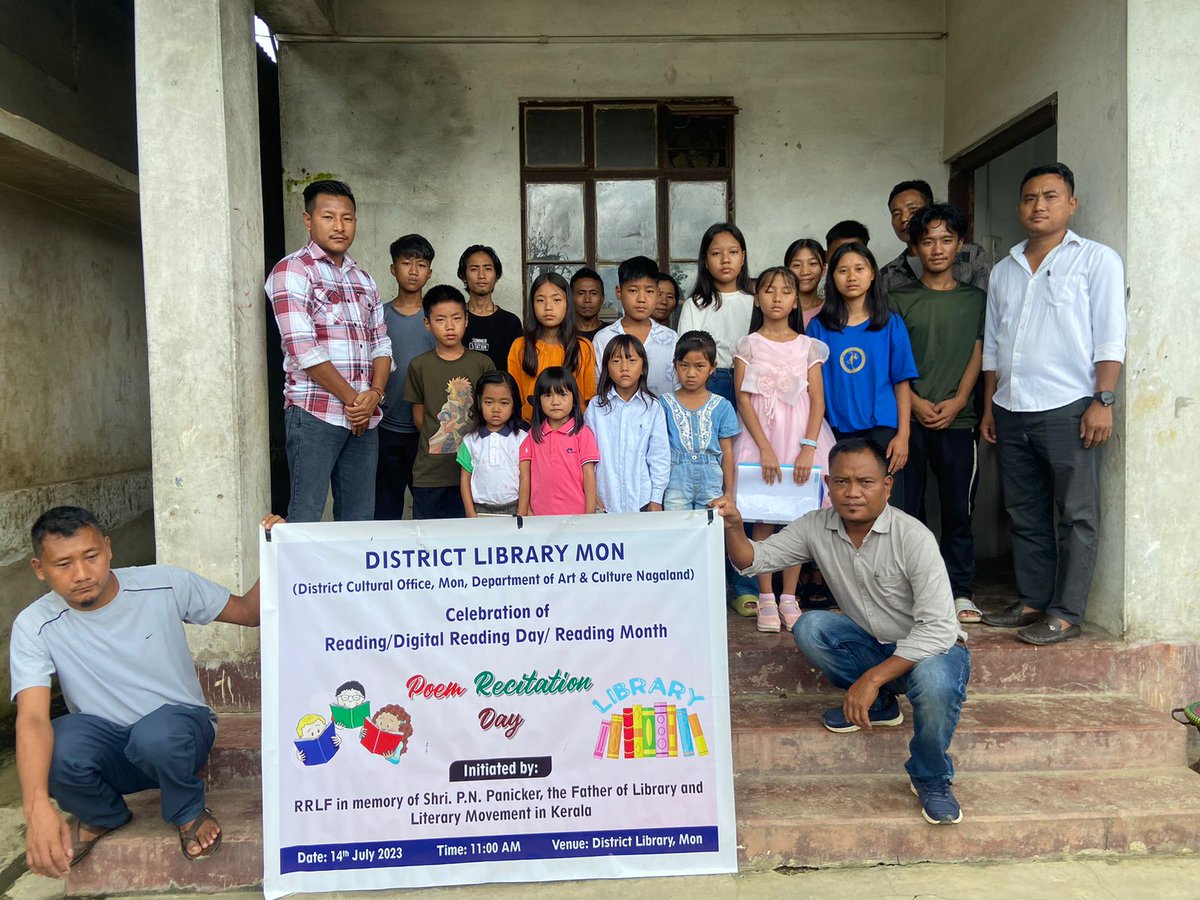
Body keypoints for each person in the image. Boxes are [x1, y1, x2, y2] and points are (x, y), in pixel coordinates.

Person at [10, 507, 283, 876]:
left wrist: (277, 548)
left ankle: (187, 811)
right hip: (112, 749)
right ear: (39, 569)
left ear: (108, 549)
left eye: (91, 556)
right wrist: (36, 806)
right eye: (63, 564)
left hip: (180, 735)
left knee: (156, 734)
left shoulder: (163, 583)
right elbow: (31, 718)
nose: (81, 574)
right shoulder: (34, 624)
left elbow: (249, 612)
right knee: (57, 741)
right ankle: (103, 814)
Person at [715, 439, 970, 826]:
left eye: (865, 482)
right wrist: (734, 526)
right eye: (842, 482)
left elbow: (938, 629)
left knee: (935, 683)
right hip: (874, 646)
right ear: (828, 484)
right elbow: (754, 561)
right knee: (811, 625)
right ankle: (883, 705)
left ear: (886, 486)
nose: (852, 493)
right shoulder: (816, 527)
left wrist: (870, 678)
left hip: (930, 651)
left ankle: (931, 775)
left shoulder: (913, 537)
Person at [979, 163, 1126, 645]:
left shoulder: (1096, 260)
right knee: (1024, 511)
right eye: (1029, 198)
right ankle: (1033, 600)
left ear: (1071, 204)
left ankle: (1067, 611)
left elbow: (1109, 336)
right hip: (1011, 406)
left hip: (1069, 406)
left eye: (1050, 196)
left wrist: (1103, 400)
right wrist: (989, 406)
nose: (1038, 206)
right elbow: (994, 346)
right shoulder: (1004, 270)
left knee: (1077, 514)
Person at [266, 179, 391, 522]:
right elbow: (303, 348)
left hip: (363, 417)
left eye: (347, 218)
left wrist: (375, 395)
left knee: (360, 518)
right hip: (313, 413)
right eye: (328, 216)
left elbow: (381, 342)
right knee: (305, 515)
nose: (339, 226)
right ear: (308, 220)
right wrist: (355, 400)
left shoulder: (364, 279)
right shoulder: (291, 270)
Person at [890, 204, 986, 624]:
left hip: (958, 420)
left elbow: (981, 352)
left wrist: (961, 399)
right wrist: (914, 402)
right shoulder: (897, 298)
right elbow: (892, 360)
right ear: (914, 247)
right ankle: (914, 591)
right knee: (909, 511)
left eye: (946, 240)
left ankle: (959, 591)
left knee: (957, 509)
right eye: (927, 241)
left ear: (960, 244)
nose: (937, 248)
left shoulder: (976, 299)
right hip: (909, 420)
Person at [733, 267, 836, 633]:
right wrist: (763, 448)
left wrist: (808, 447)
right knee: (763, 517)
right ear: (757, 298)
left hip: (800, 440)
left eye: (785, 291)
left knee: (797, 519)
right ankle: (765, 596)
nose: (777, 297)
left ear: (796, 299)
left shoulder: (808, 347)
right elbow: (743, 400)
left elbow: (818, 400)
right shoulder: (748, 345)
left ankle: (789, 596)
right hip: (762, 439)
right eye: (769, 290)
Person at [806, 243, 918, 509]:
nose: (851, 277)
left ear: (872, 275)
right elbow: (812, 387)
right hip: (837, 430)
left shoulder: (890, 324)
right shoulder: (818, 328)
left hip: (884, 431)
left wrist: (903, 435)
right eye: (843, 270)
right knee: (844, 504)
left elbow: (901, 383)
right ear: (832, 277)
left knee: (886, 505)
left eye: (859, 269)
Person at [660, 332, 752, 614]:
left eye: (699, 366)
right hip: (675, 479)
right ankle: (677, 597)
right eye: (685, 365)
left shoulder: (722, 406)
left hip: (712, 479)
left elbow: (728, 453)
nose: (691, 373)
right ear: (675, 365)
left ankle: (708, 598)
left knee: (711, 539)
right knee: (676, 536)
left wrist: (728, 493)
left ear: (713, 367)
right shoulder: (663, 404)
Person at [403, 285, 495, 519]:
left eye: (456, 318)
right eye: (440, 319)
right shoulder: (419, 365)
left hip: (475, 473)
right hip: (430, 474)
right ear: (427, 323)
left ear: (466, 320)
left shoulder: (482, 363)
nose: (450, 326)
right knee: (429, 543)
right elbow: (419, 416)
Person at [375, 234, 437, 520]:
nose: (413, 271)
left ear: (430, 272)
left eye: (421, 264)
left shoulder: (438, 319)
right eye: (406, 263)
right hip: (385, 426)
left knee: (429, 510)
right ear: (393, 269)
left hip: (427, 431)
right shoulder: (379, 316)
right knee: (385, 509)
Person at [585, 335, 670, 514]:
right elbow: (587, 457)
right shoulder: (595, 407)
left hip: (642, 500)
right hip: (604, 500)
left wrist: (656, 498)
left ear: (643, 367)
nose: (624, 367)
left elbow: (659, 456)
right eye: (616, 361)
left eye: (632, 360)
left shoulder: (652, 407)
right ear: (606, 367)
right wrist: (590, 494)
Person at [676, 223, 755, 406]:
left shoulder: (755, 303)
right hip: (709, 381)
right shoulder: (695, 305)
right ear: (705, 260)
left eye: (733, 252)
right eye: (716, 253)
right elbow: (685, 353)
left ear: (743, 257)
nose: (725, 260)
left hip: (750, 382)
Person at [508, 272, 597, 422]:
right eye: (540, 300)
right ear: (532, 304)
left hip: (572, 431)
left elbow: (589, 398)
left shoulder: (582, 347)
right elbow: (513, 398)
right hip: (529, 429)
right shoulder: (520, 346)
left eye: (556, 300)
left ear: (568, 303)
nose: (548, 307)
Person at [879, 180, 990, 296]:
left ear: (930, 211)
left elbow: (983, 305)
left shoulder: (971, 256)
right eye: (896, 214)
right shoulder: (887, 274)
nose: (904, 219)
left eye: (913, 210)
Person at [593, 255, 679, 397]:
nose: (641, 299)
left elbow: (679, 387)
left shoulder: (670, 338)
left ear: (658, 294)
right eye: (633, 290)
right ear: (619, 292)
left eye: (649, 291)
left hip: (662, 417)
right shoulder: (604, 338)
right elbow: (598, 385)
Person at [517, 367, 599, 516]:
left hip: (577, 518)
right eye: (548, 395)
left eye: (562, 394)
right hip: (540, 518)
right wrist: (526, 511)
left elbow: (589, 476)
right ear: (538, 401)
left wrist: (589, 514)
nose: (555, 402)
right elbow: (525, 477)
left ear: (574, 398)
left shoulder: (582, 434)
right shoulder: (532, 436)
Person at [458, 371, 526, 517]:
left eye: (504, 403)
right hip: (479, 510)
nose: (496, 409)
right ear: (479, 402)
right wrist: (470, 513)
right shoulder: (470, 441)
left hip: (514, 508)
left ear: (514, 405)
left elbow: (525, 477)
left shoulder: (522, 439)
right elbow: (465, 479)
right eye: (488, 402)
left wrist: (522, 512)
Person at [460, 245, 523, 372]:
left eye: (488, 269)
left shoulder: (510, 322)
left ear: (497, 276)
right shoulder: (455, 319)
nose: (481, 275)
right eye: (474, 269)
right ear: (463, 276)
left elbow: (516, 370)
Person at [784, 238, 827, 328]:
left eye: (812, 263)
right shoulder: (778, 309)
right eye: (797, 265)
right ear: (786, 271)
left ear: (823, 270)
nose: (805, 272)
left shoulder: (832, 309)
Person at [571, 267, 606, 342]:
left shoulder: (611, 334)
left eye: (593, 293)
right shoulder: (562, 334)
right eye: (581, 293)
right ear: (571, 298)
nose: (587, 300)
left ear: (602, 298)